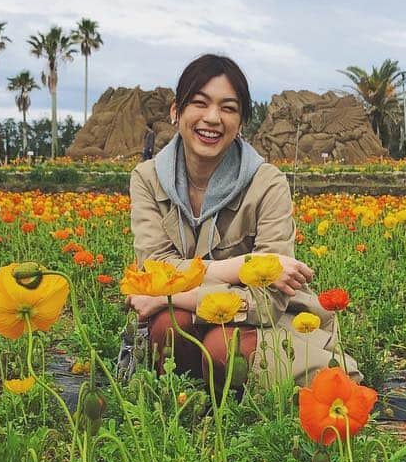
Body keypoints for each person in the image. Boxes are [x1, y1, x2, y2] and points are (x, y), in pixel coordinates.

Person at [126, 54, 359, 389]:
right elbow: (153, 270)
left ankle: (232, 404)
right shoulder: (148, 178)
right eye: (200, 103)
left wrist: (173, 295)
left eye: (228, 108)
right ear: (176, 111)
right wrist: (245, 265)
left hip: (257, 324)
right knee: (168, 326)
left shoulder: (268, 184)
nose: (212, 118)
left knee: (223, 348)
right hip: (207, 312)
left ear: (241, 122)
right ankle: (185, 403)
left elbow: (267, 302)